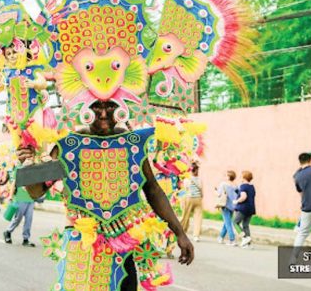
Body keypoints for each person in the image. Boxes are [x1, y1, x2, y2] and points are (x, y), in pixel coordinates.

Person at [19, 101, 194, 291]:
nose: (103, 114)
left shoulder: (131, 142)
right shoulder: (70, 144)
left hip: (121, 243)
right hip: (82, 246)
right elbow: (36, 191)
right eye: (95, 107)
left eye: (110, 106)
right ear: (83, 106)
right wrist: (27, 164)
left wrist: (180, 232)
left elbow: (152, 190)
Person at [3, 165, 36, 247]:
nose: (30, 158)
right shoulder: (19, 168)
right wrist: (10, 196)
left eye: (31, 156)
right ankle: (8, 231)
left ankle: (26, 239)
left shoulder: (34, 169)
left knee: (29, 219)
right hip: (20, 198)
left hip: (31, 199)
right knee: (18, 218)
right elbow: (13, 183)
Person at [179, 164, 203, 242]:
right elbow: (201, 190)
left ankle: (182, 232)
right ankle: (196, 236)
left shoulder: (187, 179)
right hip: (198, 199)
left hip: (189, 198)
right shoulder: (199, 179)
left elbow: (185, 189)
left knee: (186, 216)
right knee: (198, 218)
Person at [233, 170, 256, 248]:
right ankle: (248, 244)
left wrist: (236, 201)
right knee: (246, 225)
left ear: (244, 178)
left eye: (241, 176)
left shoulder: (243, 186)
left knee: (235, 222)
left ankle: (244, 238)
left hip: (243, 208)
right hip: (251, 208)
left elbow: (244, 197)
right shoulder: (252, 187)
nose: (240, 178)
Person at [216, 171, 237, 245]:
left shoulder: (223, 184)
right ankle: (220, 237)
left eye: (225, 175)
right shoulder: (235, 186)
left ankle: (232, 239)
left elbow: (219, 194)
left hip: (225, 205)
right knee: (226, 222)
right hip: (232, 207)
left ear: (228, 177)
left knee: (228, 223)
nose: (224, 177)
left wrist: (215, 191)